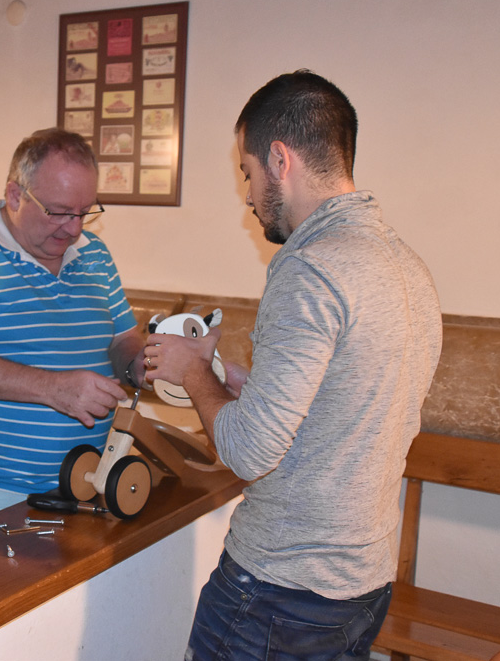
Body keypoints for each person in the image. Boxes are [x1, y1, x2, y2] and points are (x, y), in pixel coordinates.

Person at [143, 70, 442, 660]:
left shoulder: (311, 267)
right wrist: (244, 387)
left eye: (247, 173)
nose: (248, 196)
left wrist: (192, 371)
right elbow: (346, 407)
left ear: (280, 160)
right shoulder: (406, 264)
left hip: (281, 590)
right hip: (362, 586)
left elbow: (248, 452)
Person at [0, 128, 146, 527]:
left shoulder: (95, 254)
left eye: (84, 212)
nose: (74, 229)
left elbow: (123, 337)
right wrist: (54, 389)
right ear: (15, 196)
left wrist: (141, 364)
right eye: (58, 212)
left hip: (86, 485)